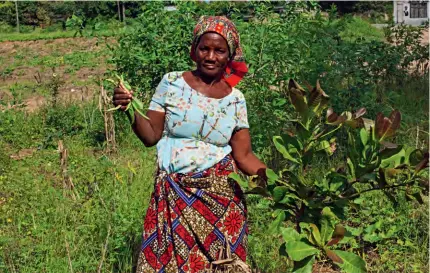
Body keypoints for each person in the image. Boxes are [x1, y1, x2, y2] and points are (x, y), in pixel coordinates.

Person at [113, 16, 266, 273]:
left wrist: (279, 181)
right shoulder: (171, 83)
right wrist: (129, 108)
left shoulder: (235, 99)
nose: (210, 56)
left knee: (221, 265)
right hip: (173, 194)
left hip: (221, 199)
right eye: (204, 48)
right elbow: (150, 136)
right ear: (194, 51)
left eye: (220, 51)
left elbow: (245, 155)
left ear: (230, 56)